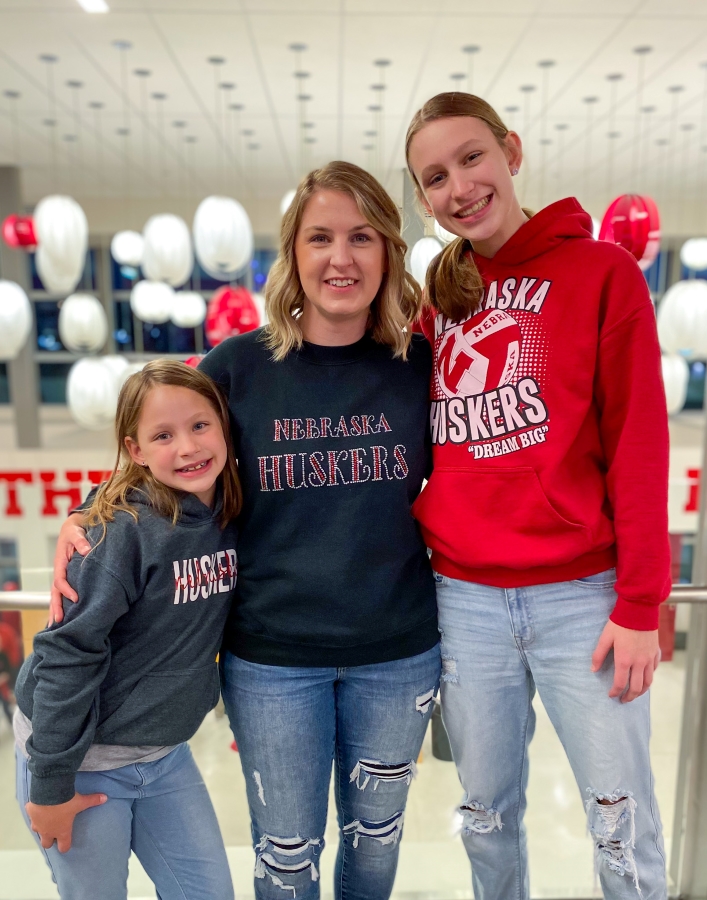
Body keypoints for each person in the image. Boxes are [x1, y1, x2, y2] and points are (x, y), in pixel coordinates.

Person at [50, 161, 441, 900]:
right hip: (272, 664)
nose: (340, 257)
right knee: (286, 855)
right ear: (292, 253)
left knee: (376, 845)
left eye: (362, 236)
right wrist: (88, 508)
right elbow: (163, 443)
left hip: (399, 655)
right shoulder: (237, 367)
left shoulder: (415, 365)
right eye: (319, 237)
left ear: (388, 249)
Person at [405, 91, 670, 900]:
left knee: (619, 819)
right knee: (483, 815)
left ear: (510, 152)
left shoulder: (601, 272)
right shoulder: (436, 303)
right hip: (464, 602)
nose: (458, 187)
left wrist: (638, 603)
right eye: (434, 177)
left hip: (580, 601)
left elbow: (638, 443)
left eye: (471, 158)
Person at [16, 360, 241, 900]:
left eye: (200, 426)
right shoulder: (121, 534)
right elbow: (67, 655)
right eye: (163, 435)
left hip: (164, 755)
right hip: (79, 761)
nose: (187, 447)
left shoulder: (230, 509)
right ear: (135, 450)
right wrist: (51, 786)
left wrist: (84, 506)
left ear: (226, 427)